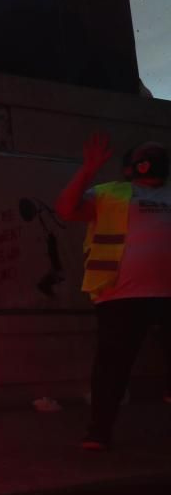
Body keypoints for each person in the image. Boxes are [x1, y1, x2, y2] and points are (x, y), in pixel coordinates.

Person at [55, 134, 171, 450]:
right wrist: (88, 170)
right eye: (148, 152)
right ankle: (99, 431)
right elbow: (66, 209)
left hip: (167, 295)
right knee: (112, 366)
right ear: (132, 165)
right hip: (120, 294)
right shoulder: (112, 193)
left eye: (159, 151)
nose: (155, 154)